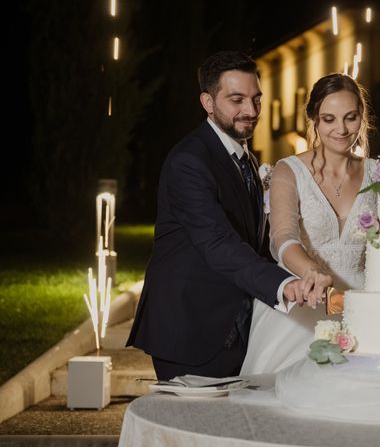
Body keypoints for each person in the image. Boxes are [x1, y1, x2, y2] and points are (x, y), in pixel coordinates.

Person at [126, 51, 326, 381]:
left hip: (238, 326)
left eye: (256, 99)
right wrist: (284, 285)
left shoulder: (246, 158)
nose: (251, 111)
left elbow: (255, 241)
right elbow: (218, 242)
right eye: (237, 100)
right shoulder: (188, 162)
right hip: (190, 328)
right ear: (208, 101)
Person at [241, 73, 377, 375]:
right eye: (329, 119)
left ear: (362, 118)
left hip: (366, 304)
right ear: (314, 120)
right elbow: (283, 238)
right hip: (304, 298)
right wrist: (311, 272)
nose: (341, 129)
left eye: (350, 118)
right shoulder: (288, 171)